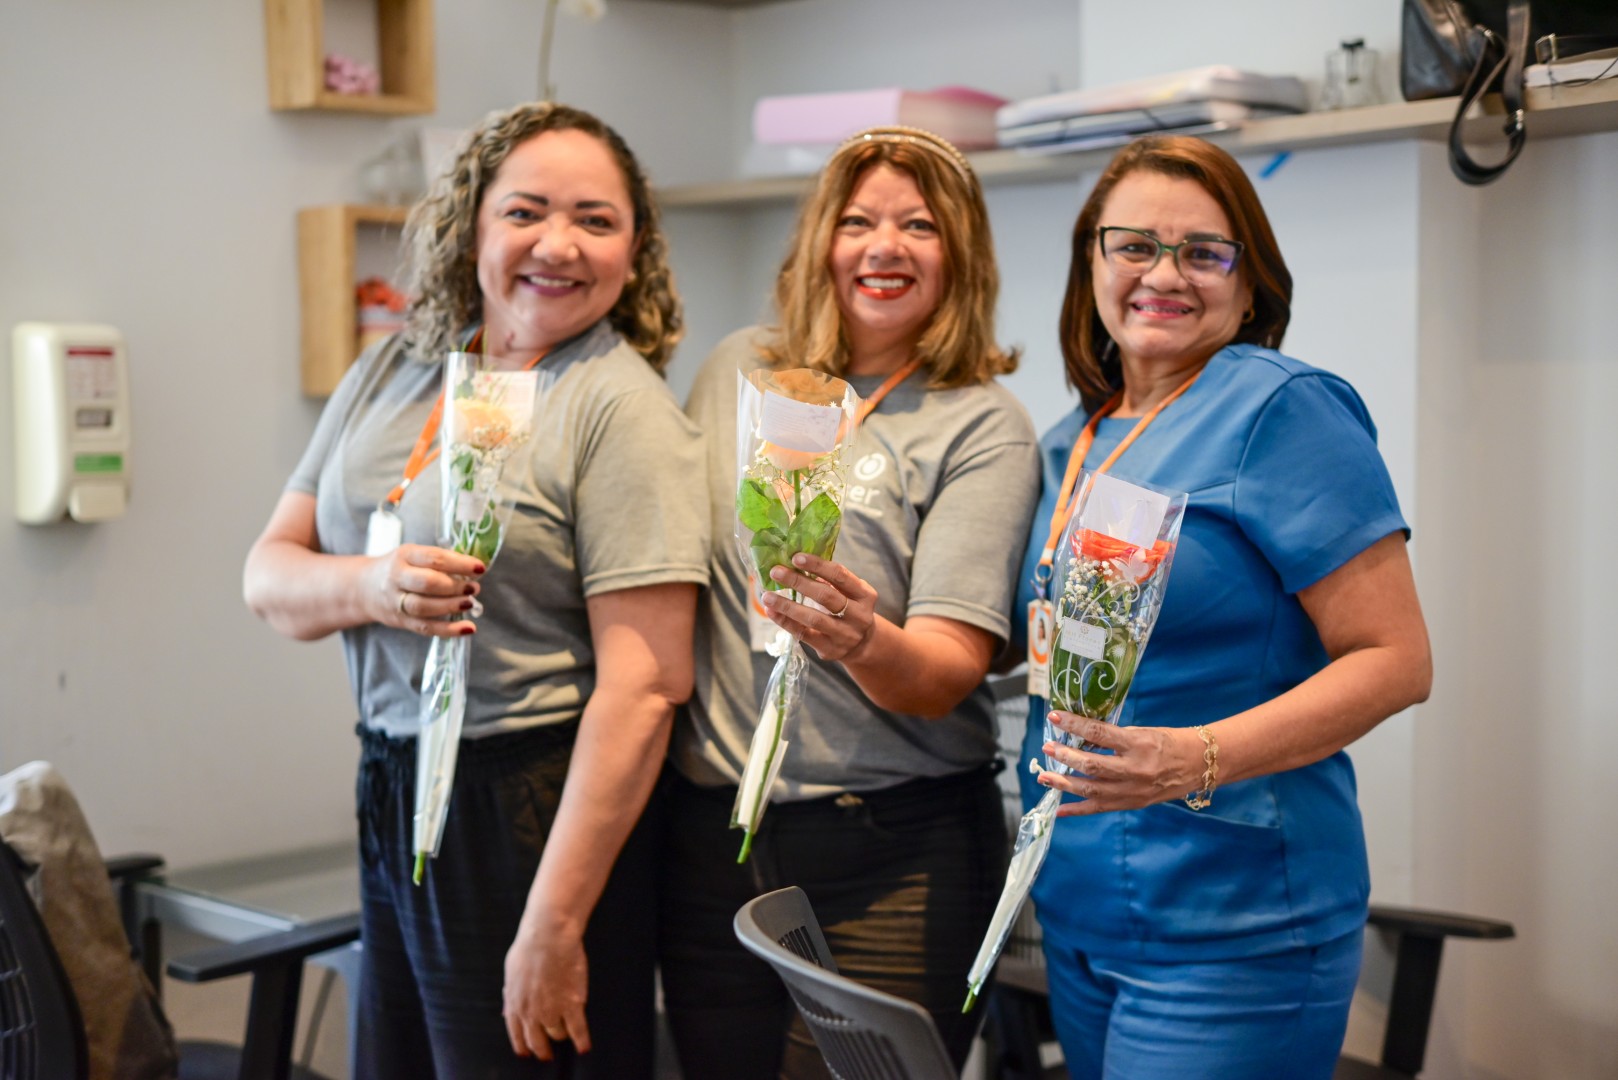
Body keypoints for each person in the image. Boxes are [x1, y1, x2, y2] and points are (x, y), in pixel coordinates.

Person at [242, 102, 708, 1080]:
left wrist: (554, 923)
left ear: (634, 251)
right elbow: (270, 577)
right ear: (473, 226)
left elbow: (646, 687)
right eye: (526, 211)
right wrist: (375, 586)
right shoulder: (396, 366)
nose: (558, 244)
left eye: (595, 220)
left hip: (532, 805)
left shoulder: (619, 406)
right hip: (393, 773)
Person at [1010, 134, 1433, 1078]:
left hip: (1234, 925)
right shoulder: (1075, 440)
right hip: (1076, 910)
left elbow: (1396, 660)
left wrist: (1193, 757)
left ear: (1250, 288)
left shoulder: (1284, 410)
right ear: (1092, 265)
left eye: (1203, 252)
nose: (1164, 274)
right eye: (1134, 246)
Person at [657, 126, 1041, 1078]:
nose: (885, 247)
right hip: (713, 835)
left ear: (961, 255)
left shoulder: (981, 421)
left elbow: (945, 675)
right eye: (859, 221)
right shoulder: (737, 370)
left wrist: (864, 639)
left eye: (920, 226)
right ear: (820, 238)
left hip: (891, 850)